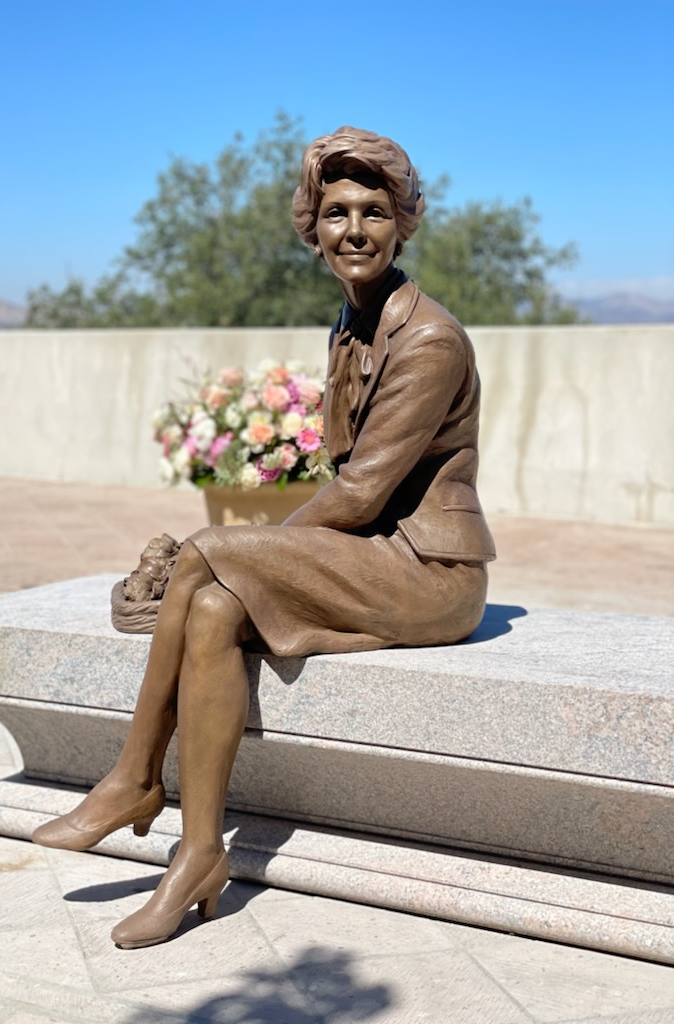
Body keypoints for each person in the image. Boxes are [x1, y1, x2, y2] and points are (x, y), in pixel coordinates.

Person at [32, 126, 496, 949]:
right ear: (313, 229)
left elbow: (359, 493)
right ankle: (198, 854)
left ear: (403, 224)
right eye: (336, 212)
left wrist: (239, 553)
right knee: (212, 609)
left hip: (429, 570)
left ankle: (134, 776)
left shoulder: (428, 339)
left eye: (374, 212)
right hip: (373, 556)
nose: (354, 229)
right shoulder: (351, 323)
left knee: (212, 555)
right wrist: (234, 568)